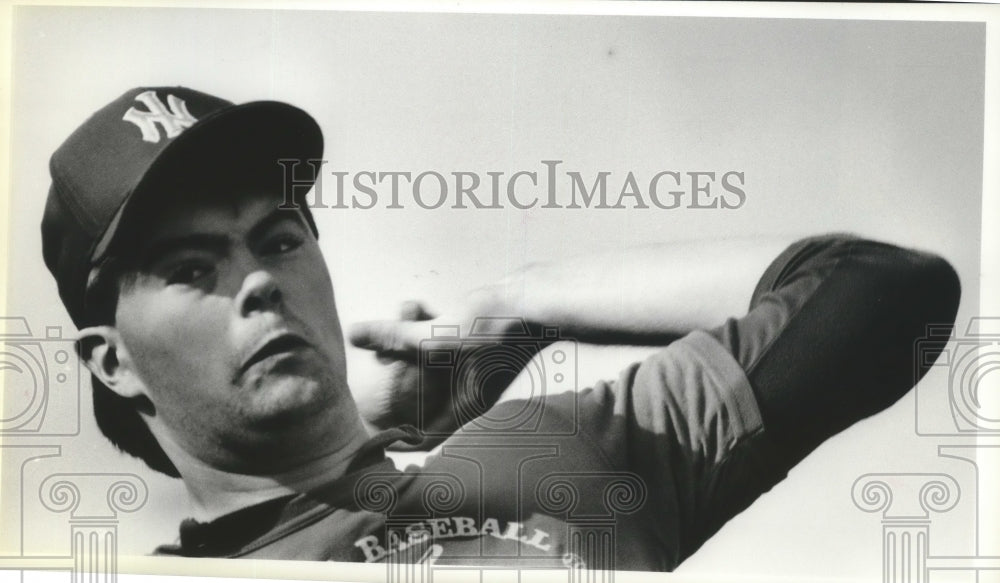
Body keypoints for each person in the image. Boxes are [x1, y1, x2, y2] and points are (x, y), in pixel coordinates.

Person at [41, 86, 961, 570]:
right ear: (112, 361)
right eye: (194, 269)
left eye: (279, 240)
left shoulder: (547, 454)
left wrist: (518, 302)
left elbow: (876, 292)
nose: (259, 286)